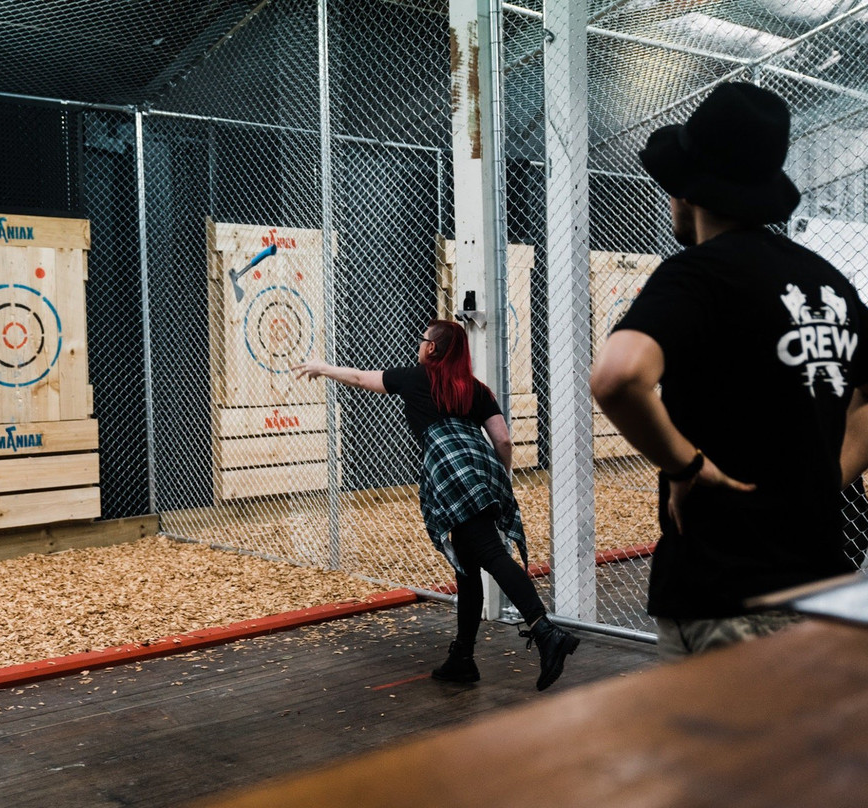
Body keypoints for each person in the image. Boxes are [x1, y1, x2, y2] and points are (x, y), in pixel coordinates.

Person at [590, 83, 868, 660]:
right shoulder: (829, 282)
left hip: (723, 589)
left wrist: (685, 465)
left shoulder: (697, 275)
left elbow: (617, 376)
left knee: (715, 750)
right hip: (821, 583)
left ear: (688, 194)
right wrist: (820, 481)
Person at [293, 319, 579, 691]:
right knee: (467, 565)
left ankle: (544, 631)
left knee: (491, 555)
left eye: (422, 338)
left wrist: (322, 368)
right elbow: (504, 441)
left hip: (449, 472)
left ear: (432, 349)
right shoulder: (476, 390)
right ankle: (462, 659)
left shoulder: (417, 378)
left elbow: (363, 379)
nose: (419, 343)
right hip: (482, 468)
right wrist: (496, 480)